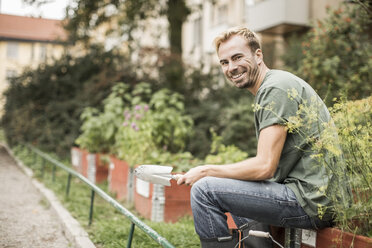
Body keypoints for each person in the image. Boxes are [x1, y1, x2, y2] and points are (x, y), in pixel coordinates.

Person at [177, 26, 348, 248]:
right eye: (225, 62)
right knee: (235, 183)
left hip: (312, 201)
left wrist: (207, 170)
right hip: (316, 198)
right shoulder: (273, 86)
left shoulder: (275, 89)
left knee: (204, 190)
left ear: (258, 55)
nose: (231, 67)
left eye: (237, 57)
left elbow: (264, 167)